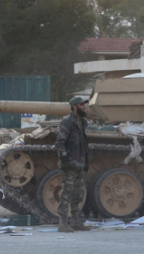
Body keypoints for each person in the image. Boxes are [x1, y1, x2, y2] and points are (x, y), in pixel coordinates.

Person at [54, 96, 91, 233]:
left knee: (78, 194)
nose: (84, 107)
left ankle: (76, 221)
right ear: (74, 106)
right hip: (70, 164)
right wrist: (65, 159)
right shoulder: (67, 122)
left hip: (79, 163)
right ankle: (62, 223)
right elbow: (60, 142)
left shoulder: (81, 122)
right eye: (81, 105)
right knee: (67, 193)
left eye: (84, 105)